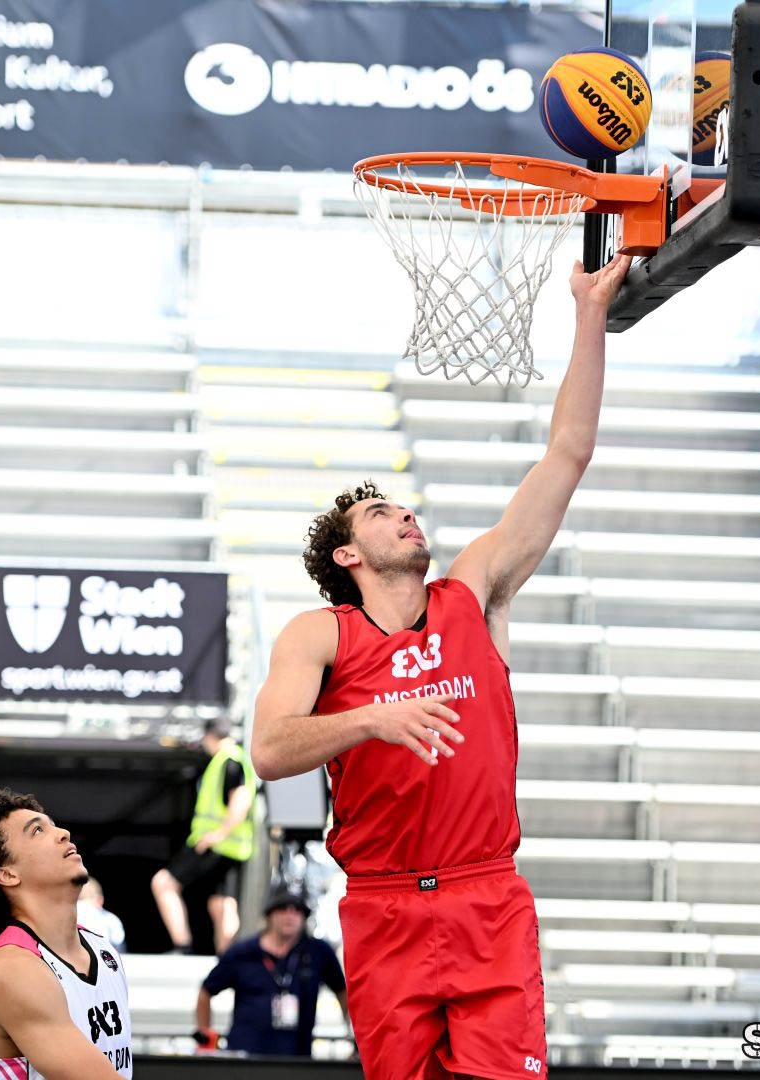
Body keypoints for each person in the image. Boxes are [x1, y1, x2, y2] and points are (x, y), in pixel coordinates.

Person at [250, 250, 633, 1078]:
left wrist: (589, 313)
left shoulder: (474, 592)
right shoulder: (319, 635)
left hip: (485, 893)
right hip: (384, 904)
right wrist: (370, 718)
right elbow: (271, 751)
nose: (405, 515)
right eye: (381, 513)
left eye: (405, 506)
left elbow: (566, 454)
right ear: (349, 554)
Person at [0, 788, 133, 1079]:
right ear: (7, 873)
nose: (63, 833)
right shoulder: (13, 969)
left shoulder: (102, 949)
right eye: (37, 830)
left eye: (53, 824)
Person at [194, 887, 348, 1057]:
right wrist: (206, 1038)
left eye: (297, 910)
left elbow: (343, 991)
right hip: (246, 1056)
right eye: (283, 909)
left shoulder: (318, 951)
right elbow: (206, 992)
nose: (290, 916)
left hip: (296, 1058)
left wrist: (353, 1036)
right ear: (269, 914)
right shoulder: (243, 952)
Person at [151, 717, 258, 955]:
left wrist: (217, 835)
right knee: (221, 902)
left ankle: (183, 944)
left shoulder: (229, 760)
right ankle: (226, 957)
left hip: (215, 844)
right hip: (231, 846)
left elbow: (241, 800)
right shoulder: (236, 758)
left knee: (163, 882)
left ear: (209, 736)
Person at [78, 877, 126, 953]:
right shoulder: (111, 919)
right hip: (104, 956)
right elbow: (119, 944)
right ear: (100, 900)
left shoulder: (67, 914)